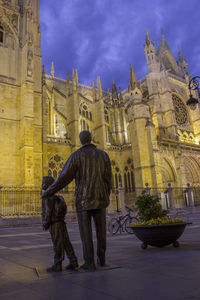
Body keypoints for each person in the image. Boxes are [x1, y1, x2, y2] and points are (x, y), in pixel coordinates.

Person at [42, 131, 112, 271]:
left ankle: (89, 263)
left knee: (86, 234)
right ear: (91, 139)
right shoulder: (103, 155)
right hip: (101, 198)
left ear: (80, 140)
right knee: (101, 232)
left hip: (83, 200)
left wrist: (49, 190)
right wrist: (106, 195)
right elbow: (108, 178)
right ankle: (102, 259)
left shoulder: (76, 156)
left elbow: (64, 178)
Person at [42, 176, 78, 272]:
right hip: (61, 222)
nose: (42, 184)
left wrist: (45, 223)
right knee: (66, 242)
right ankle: (73, 261)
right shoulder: (55, 196)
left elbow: (48, 212)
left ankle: (57, 264)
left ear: (49, 184)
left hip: (54, 224)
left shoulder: (47, 196)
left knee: (57, 244)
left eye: (43, 182)